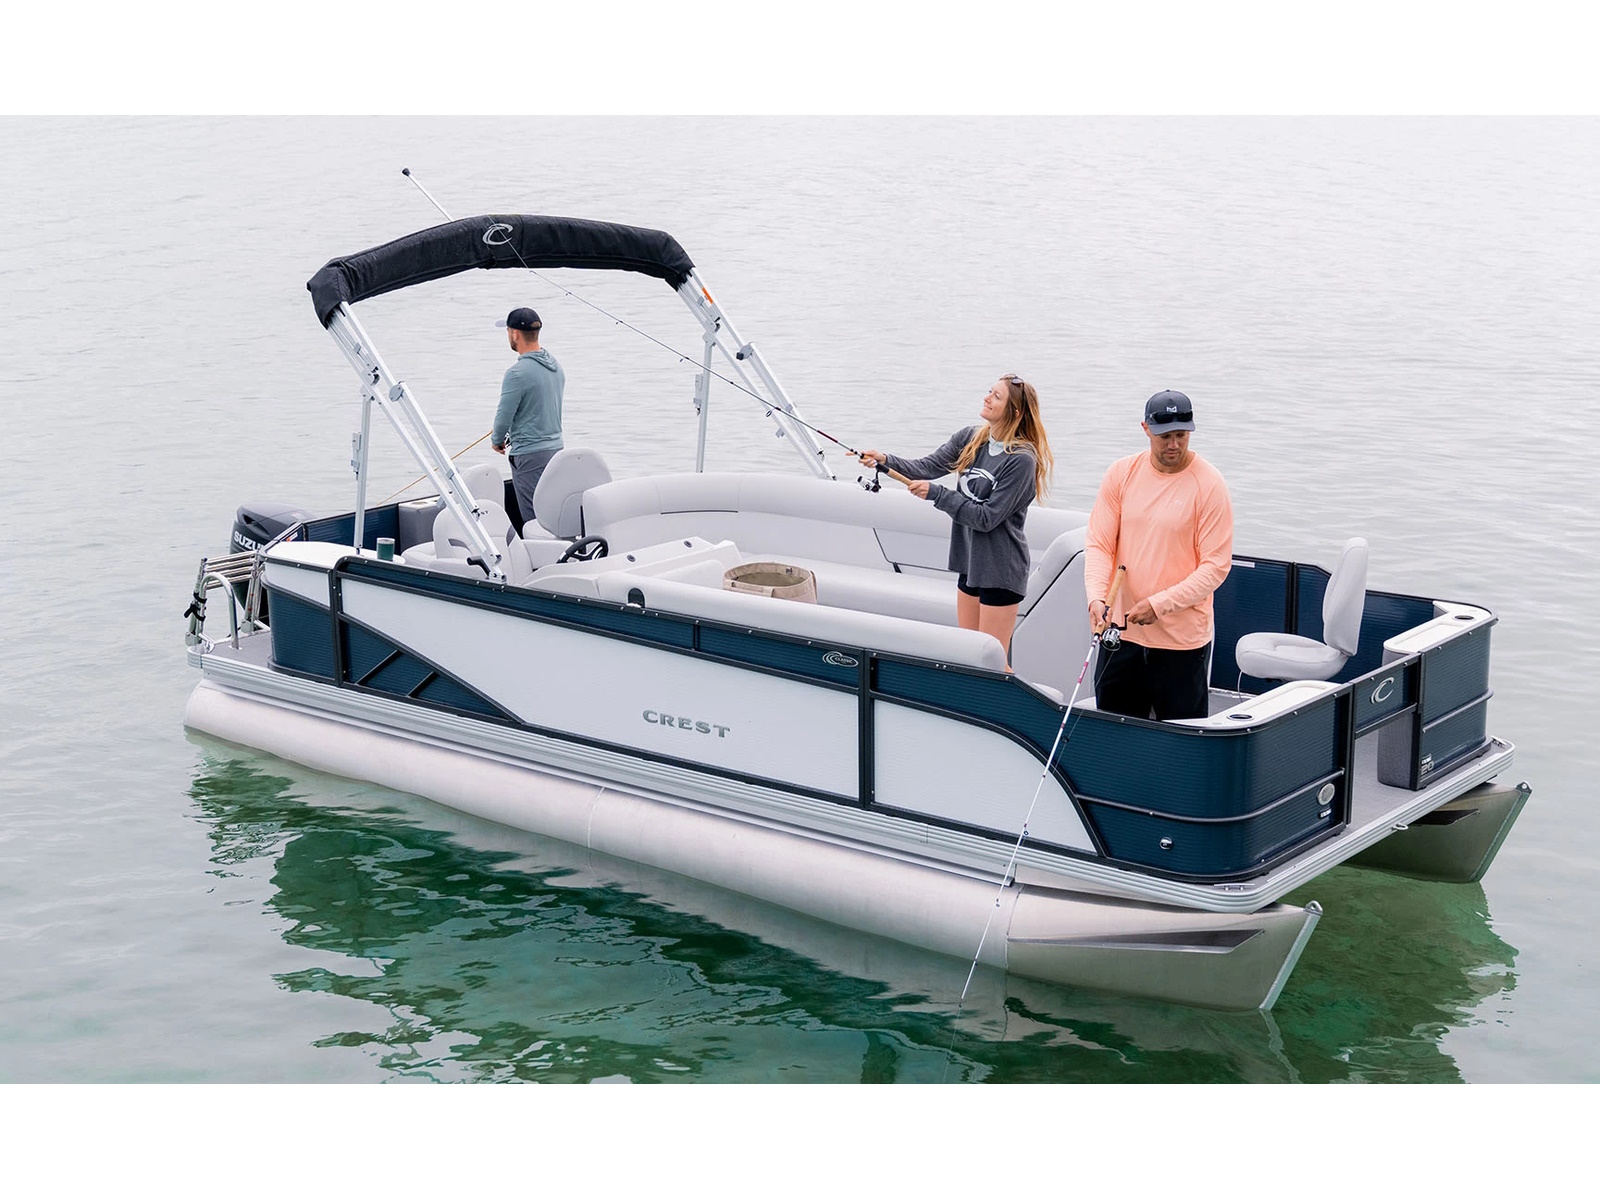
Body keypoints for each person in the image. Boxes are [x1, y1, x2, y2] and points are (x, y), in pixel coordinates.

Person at [857, 375, 1053, 665]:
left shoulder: (1021, 459)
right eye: (989, 391)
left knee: (993, 664)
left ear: (1014, 412)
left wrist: (937, 494)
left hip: (1000, 570)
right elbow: (928, 467)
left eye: (996, 396)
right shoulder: (971, 438)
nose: (987, 398)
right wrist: (885, 460)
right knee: (968, 656)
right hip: (970, 563)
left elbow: (986, 518)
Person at [1084, 389, 1233, 720]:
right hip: (1120, 635)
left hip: (1181, 643)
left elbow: (1215, 567)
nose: (1174, 445)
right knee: (1115, 733)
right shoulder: (1121, 474)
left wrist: (1160, 604)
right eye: (1165, 436)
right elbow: (1100, 544)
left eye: (1182, 435)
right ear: (1146, 429)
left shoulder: (1210, 485)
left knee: (1181, 739)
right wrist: (1096, 597)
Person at [490, 307, 565, 526]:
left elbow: (503, 416)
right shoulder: (555, 366)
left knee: (535, 520)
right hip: (556, 452)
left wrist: (497, 440)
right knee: (553, 514)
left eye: (507, 331)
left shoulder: (516, 374)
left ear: (515, 334)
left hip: (529, 456)